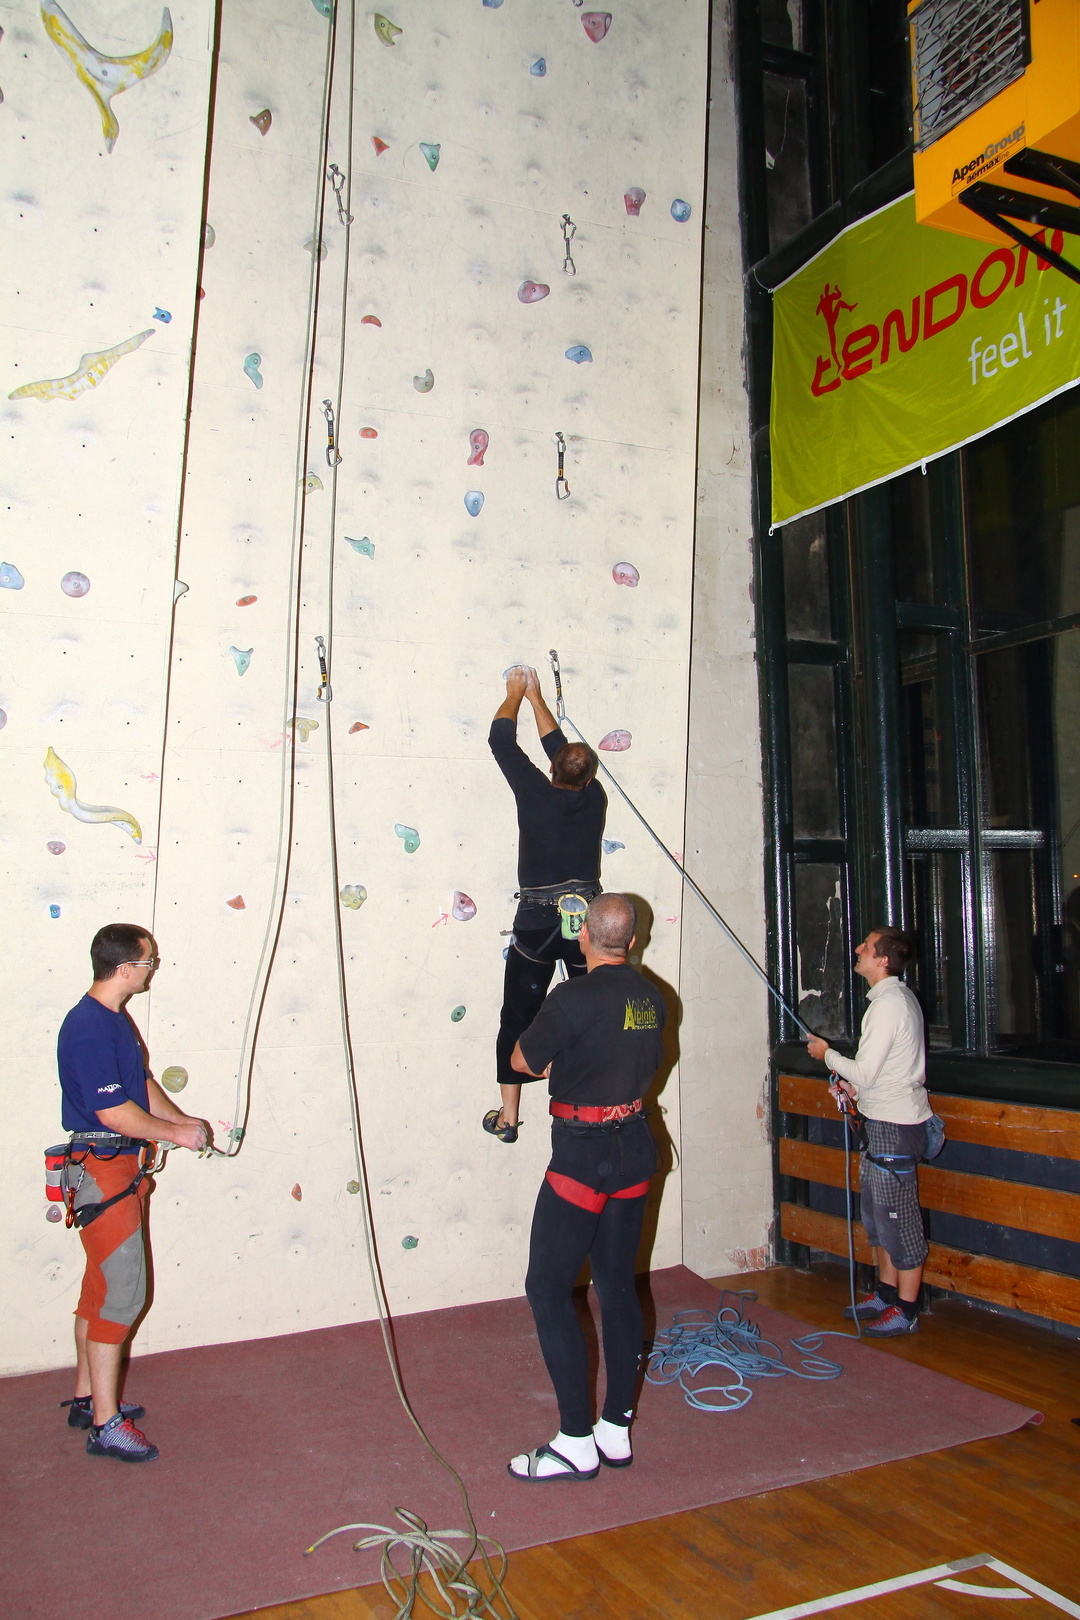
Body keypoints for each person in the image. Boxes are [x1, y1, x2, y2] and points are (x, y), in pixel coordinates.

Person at [506, 893, 665, 1480]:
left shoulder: (571, 998)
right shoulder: (653, 997)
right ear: (632, 939)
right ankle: (614, 1428)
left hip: (584, 1158)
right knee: (617, 1286)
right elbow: (617, 1052)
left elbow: (523, 1059)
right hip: (634, 1153)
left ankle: (575, 1439)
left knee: (548, 1289)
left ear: (585, 937)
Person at [57, 923, 210, 1461]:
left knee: (99, 1290)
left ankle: (84, 1398)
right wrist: (172, 1134)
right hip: (104, 1171)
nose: (153, 969)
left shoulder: (114, 1021)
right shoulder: (89, 1028)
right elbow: (111, 1111)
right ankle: (106, 1423)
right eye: (149, 962)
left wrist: (185, 1123)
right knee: (123, 1295)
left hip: (118, 1169)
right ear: (125, 968)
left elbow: (140, 1087)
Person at [485, 665, 606, 1144]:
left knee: (516, 1016)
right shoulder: (594, 796)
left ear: (553, 770)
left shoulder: (535, 793)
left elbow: (500, 742)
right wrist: (538, 700)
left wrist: (516, 692)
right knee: (594, 1009)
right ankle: (594, 1095)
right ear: (589, 775)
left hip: (538, 921)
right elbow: (564, 752)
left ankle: (509, 1116)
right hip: (586, 926)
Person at [807, 926, 931, 1338]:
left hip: (895, 1129)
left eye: (867, 946)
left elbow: (865, 1069)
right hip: (883, 1126)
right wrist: (852, 1087)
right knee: (879, 1219)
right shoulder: (887, 1002)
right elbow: (875, 1074)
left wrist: (829, 1056)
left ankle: (907, 1310)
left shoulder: (889, 1005)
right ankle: (884, 1293)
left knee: (900, 1222)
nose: (858, 949)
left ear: (882, 960)